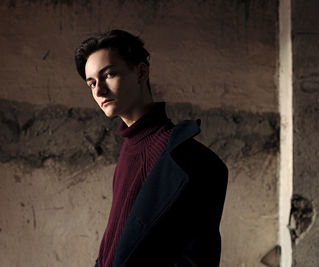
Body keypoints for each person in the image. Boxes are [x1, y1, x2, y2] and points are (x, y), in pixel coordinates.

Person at [75, 29, 228, 267]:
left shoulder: (189, 159)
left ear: (141, 72)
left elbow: (196, 260)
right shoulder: (128, 149)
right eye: (92, 83)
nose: (99, 91)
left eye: (109, 74)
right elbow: (115, 242)